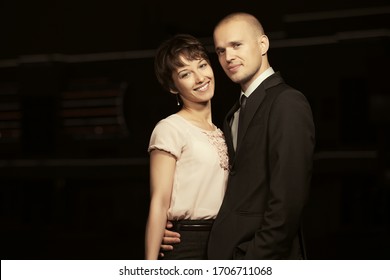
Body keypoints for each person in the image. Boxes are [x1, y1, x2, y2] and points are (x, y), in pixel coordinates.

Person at [161, 12, 315, 259]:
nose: (228, 57)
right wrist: (181, 230)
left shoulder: (287, 102)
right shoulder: (233, 115)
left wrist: (250, 259)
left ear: (263, 44)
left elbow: (288, 202)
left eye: (236, 45)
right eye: (221, 51)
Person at [144, 34, 229, 260]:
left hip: (224, 241)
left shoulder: (223, 133)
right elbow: (159, 201)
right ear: (173, 87)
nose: (200, 77)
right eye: (185, 74)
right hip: (186, 244)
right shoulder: (170, 128)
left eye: (202, 65)